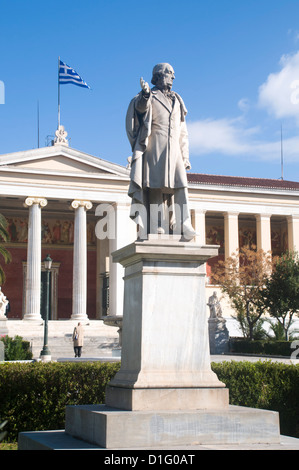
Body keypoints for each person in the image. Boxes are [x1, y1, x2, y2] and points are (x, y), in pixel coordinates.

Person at [126, 63, 196, 240]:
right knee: (156, 186)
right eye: (169, 73)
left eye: (173, 74)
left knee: (181, 186)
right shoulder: (150, 96)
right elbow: (141, 108)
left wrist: (185, 156)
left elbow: (183, 132)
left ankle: (183, 223)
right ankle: (157, 225)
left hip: (175, 150)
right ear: (157, 76)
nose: (173, 77)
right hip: (155, 146)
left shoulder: (178, 100)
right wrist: (145, 94)